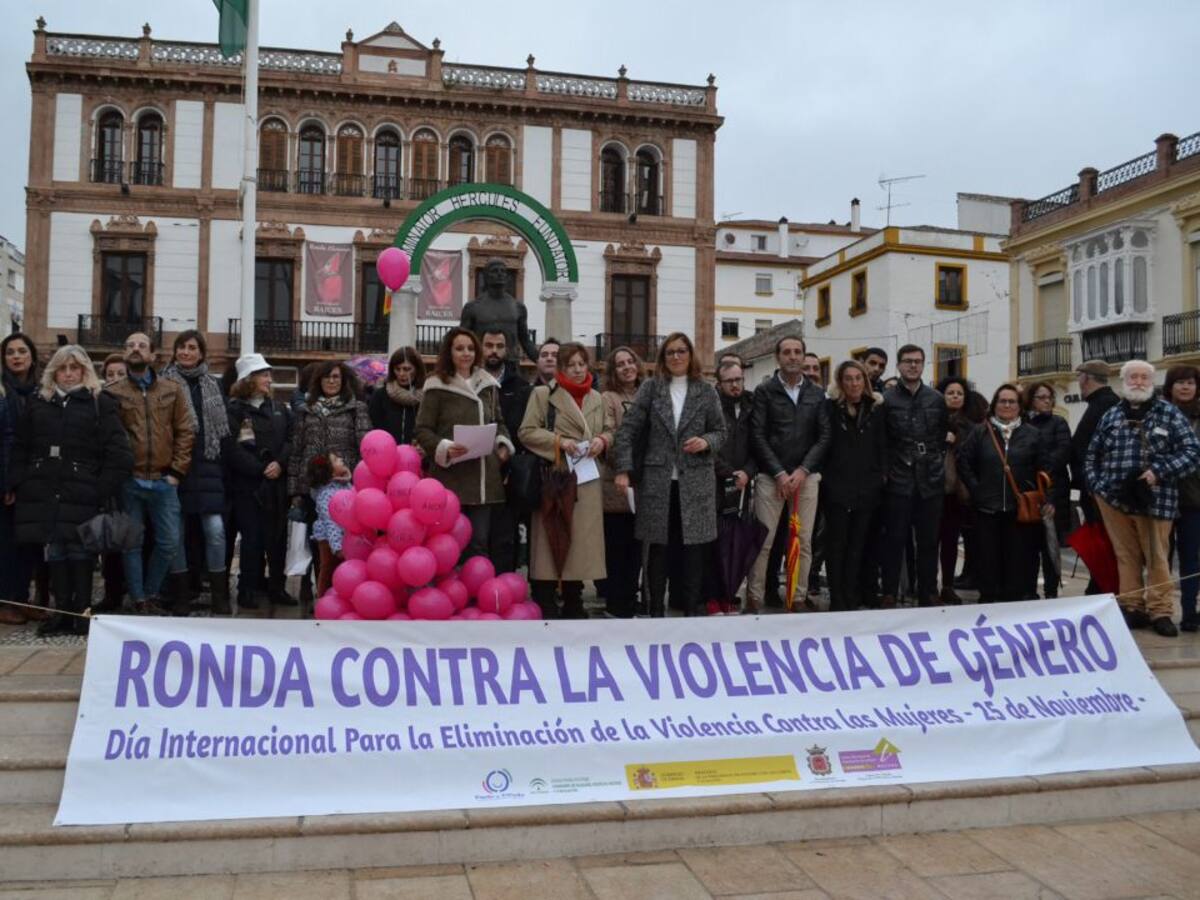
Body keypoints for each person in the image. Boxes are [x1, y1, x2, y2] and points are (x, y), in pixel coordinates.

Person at [8, 345, 132, 635]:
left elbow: (120, 455)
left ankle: (82, 613)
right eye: (62, 368)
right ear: (54, 371)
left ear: (84, 371)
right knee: (55, 549)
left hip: (83, 491)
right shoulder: (38, 403)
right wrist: (18, 482)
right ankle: (62, 611)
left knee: (81, 551)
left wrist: (98, 489)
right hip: (45, 490)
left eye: (73, 368)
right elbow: (21, 447)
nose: (67, 374)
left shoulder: (100, 403)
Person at [615, 332, 726, 616]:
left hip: (696, 481)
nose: (676, 357)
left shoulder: (706, 390)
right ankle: (655, 613)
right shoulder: (651, 388)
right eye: (670, 352)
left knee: (693, 552)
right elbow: (628, 430)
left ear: (690, 355)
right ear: (663, 358)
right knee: (658, 551)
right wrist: (624, 470)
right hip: (657, 481)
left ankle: (690, 611)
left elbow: (721, 432)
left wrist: (706, 442)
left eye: (681, 351)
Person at [1087, 360, 1200, 637]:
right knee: (1125, 556)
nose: (1138, 381)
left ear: (1152, 382)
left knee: (1157, 557)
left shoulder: (1168, 413)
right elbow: (1093, 453)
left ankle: (1161, 611)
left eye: (1144, 377)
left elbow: (1191, 451)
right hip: (1112, 498)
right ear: (1123, 381)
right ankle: (1132, 606)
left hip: (1155, 498)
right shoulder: (1111, 415)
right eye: (1133, 377)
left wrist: (1158, 471)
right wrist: (1096, 485)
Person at [519, 342, 610, 618]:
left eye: (582, 364)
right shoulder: (543, 394)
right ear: (561, 368)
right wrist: (560, 441)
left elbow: (609, 429)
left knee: (582, 543)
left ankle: (574, 599)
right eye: (571, 365)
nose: (578, 370)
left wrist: (602, 440)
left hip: (587, 479)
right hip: (555, 479)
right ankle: (545, 600)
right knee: (550, 540)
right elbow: (527, 432)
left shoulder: (597, 398)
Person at [108, 331, 195, 615]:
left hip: (163, 480)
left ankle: (152, 591)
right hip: (129, 480)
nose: (135, 349)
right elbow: (109, 438)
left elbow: (185, 431)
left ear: (153, 356)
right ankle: (139, 599)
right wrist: (119, 474)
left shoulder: (171, 390)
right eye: (130, 345)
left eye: (141, 345)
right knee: (131, 544)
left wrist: (176, 472)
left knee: (169, 542)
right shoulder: (113, 393)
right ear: (124, 353)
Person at [745, 336, 830, 612]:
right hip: (772, 478)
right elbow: (757, 435)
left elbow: (824, 436)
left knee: (803, 541)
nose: (793, 356)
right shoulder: (765, 391)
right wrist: (780, 473)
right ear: (777, 357)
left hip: (807, 478)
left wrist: (803, 471)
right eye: (787, 352)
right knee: (764, 542)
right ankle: (755, 596)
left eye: (797, 352)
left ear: (804, 357)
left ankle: (798, 596)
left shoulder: (817, 394)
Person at [415, 327, 513, 559]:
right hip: (451, 478)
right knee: (448, 544)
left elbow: (498, 421)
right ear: (449, 352)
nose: (466, 353)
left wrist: (502, 445)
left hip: (483, 479)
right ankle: (449, 593)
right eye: (459, 348)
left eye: (470, 348)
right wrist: (445, 447)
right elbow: (422, 429)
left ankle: (476, 594)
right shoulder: (436, 385)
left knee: (479, 543)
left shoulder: (487, 384)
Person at [957, 384, 1049, 605]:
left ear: (1020, 406)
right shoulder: (980, 432)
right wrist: (976, 488)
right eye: (1002, 401)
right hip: (987, 508)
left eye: (1012, 401)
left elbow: (1044, 468)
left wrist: (1043, 496)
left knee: (1018, 558)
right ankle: (990, 599)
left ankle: (1014, 600)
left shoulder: (1033, 434)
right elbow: (964, 462)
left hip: (1020, 509)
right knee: (988, 558)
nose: (1007, 405)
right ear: (994, 405)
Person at [160, 330, 231, 615]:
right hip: (174, 468)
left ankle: (219, 594)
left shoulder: (213, 385)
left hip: (208, 467)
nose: (186, 352)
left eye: (192, 348)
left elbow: (222, 432)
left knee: (215, 531)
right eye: (182, 347)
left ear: (201, 353)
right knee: (175, 534)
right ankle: (181, 594)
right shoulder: (163, 383)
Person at [880, 344, 947, 608]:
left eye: (918, 361)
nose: (913, 366)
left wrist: (935, 463)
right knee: (894, 539)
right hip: (899, 478)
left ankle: (928, 591)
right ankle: (889, 591)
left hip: (930, 480)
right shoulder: (886, 400)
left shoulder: (936, 399)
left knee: (929, 541)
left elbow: (941, 437)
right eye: (908, 361)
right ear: (898, 365)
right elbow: (882, 441)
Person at [227, 354, 294, 611]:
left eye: (268, 374)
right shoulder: (234, 410)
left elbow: (290, 439)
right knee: (252, 539)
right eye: (263, 374)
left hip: (277, 486)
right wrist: (260, 469)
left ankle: (277, 587)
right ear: (249, 379)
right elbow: (232, 449)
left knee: (277, 539)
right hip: (249, 487)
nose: (269, 379)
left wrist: (280, 464)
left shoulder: (278, 409)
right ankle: (248, 589)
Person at [821, 360, 886, 612]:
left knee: (858, 545)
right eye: (848, 378)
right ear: (840, 382)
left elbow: (882, 446)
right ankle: (837, 596)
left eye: (858, 378)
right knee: (836, 545)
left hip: (867, 487)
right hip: (837, 486)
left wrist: (880, 476)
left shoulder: (875, 408)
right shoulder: (830, 409)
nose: (854, 383)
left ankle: (852, 593)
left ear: (865, 381)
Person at [706, 359, 758, 614]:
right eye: (730, 381)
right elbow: (708, 445)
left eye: (739, 379)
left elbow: (759, 442)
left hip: (743, 484)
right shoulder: (711, 405)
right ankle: (713, 597)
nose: (735, 385)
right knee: (716, 544)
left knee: (737, 543)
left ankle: (729, 595)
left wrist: (747, 472)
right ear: (719, 383)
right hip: (717, 484)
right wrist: (729, 473)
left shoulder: (752, 405)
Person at [599, 345, 644, 618]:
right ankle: (616, 604)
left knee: (638, 549)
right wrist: (627, 467)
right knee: (617, 548)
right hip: (617, 483)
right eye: (620, 364)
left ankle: (632, 598)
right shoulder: (608, 398)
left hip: (645, 485)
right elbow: (611, 436)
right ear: (613, 371)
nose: (627, 367)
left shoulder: (649, 393)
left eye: (630, 361)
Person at [0, 333, 41, 625]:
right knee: (7, 544)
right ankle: (5, 601)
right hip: (8, 480)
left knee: (29, 543)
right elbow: (5, 440)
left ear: (31, 356)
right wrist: (7, 483)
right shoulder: (2, 391)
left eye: (21, 351)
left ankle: (21, 597)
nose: (16, 356)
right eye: (10, 352)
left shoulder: (39, 391)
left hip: (35, 481)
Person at [482, 329, 529, 573]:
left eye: (499, 346)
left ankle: (502, 592)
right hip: (475, 470)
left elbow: (525, 428)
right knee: (478, 537)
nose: (494, 351)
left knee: (505, 538)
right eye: (489, 345)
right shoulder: (471, 382)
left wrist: (508, 451)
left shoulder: (521, 387)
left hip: (508, 474)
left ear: (506, 350)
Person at [1023, 381, 1072, 599]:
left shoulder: (1058, 423)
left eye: (1049, 397)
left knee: (1050, 546)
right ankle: (1028, 591)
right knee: (1029, 546)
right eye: (1041, 397)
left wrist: (1039, 469)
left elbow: (1062, 454)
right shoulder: (1023, 423)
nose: (1047, 401)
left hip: (1053, 492)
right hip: (1028, 493)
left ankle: (1051, 591)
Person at [936, 376, 979, 604]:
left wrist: (955, 443)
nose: (955, 396)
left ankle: (948, 585)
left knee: (951, 540)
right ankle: (927, 584)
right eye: (950, 392)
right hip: (931, 489)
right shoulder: (933, 420)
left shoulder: (972, 427)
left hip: (957, 492)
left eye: (959, 393)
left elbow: (973, 458)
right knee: (929, 541)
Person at [1166, 365, 1200, 632]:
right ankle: (1162, 611)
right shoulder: (1159, 414)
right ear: (1170, 386)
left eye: (1190, 382)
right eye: (1180, 382)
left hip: (1194, 501)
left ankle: (1190, 611)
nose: (1185, 387)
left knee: (1191, 559)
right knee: (1160, 559)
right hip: (1162, 499)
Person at [1071, 360, 1120, 525]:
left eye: (1079, 377)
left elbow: (1088, 447)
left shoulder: (1104, 404)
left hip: (1098, 489)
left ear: (1086, 378)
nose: (1079, 383)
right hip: (1096, 486)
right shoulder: (1103, 402)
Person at [308, 452, 351, 597]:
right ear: (329, 472)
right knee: (328, 569)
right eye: (336, 460)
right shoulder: (326, 494)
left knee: (342, 572)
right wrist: (337, 546)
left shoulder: (344, 485)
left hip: (345, 536)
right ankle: (323, 600)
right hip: (329, 540)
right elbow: (330, 522)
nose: (341, 459)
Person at [368, 346, 425, 446]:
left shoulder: (427, 396)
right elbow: (373, 428)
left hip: (418, 456)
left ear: (417, 369)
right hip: (387, 454)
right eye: (397, 369)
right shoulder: (380, 395)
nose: (401, 373)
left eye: (407, 369)